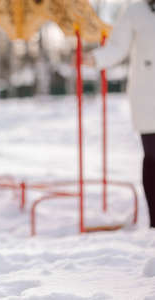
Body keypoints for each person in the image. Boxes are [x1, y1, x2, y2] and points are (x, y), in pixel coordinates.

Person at [83, 0, 155, 228]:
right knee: (153, 155)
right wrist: (96, 58)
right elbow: (118, 46)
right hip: (148, 94)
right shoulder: (135, 11)